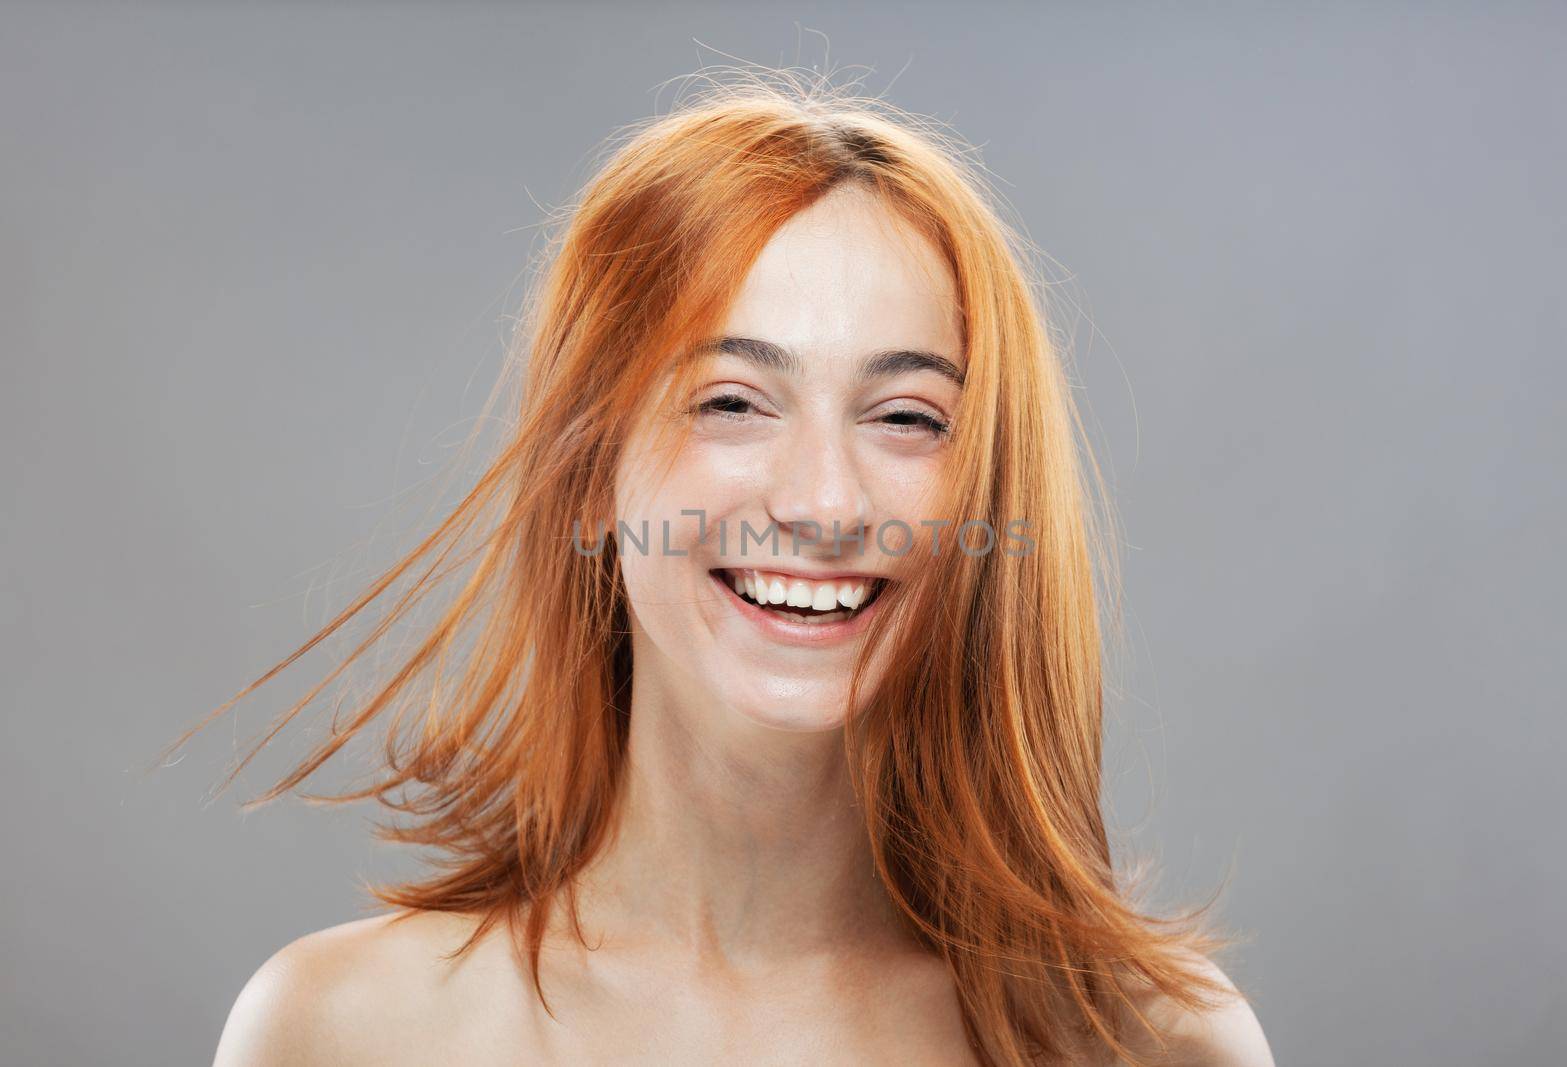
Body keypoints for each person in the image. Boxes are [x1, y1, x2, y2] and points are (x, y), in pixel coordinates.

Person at [195, 73, 1274, 1066]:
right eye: (730, 402)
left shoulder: (1153, 1041)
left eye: (906, 417)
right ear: (586, 475)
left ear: (985, 497)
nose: (823, 503)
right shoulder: (336, 1031)